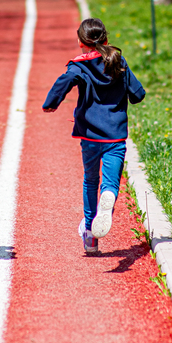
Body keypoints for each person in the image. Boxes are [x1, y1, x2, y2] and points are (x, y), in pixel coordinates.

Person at [42, 18, 146, 254]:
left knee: (90, 180)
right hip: (116, 136)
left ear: (80, 41)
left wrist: (51, 104)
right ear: (106, 39)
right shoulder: (118, 61)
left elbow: (64, 82)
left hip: (90, 136)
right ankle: (108, 197)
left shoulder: (78, 67)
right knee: (109, 183)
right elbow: (137, 94)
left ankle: (90, 234)